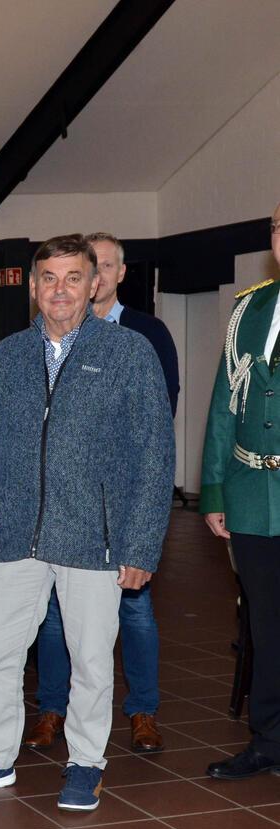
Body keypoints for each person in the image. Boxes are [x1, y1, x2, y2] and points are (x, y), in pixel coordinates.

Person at [0, 234, 174, 811]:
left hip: (97, 538)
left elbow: (155, 455)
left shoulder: (129, 354)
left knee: (91, 659)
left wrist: (141, 545)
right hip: (16, 535)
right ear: (34, 286)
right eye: (48, 278)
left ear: (95, 284)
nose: (59, 289)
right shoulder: (6, 358)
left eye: (72, 278)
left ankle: (85, 763)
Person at [28, 231, 180, 755]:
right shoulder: (41, 341)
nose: (93, 279)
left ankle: (142, 711)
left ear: (108, 276)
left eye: (106, 267)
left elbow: (159, 424)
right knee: (54, 616)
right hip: (65, 515)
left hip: (120, 507)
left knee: (134, 613)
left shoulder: (145, 336)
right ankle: (52, 707)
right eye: (55, 277)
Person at [198, 200, 280, 780]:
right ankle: (269, 741)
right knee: (265, 624)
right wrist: (214, 489)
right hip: (253, 495)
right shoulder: (249, 308)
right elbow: (225, 401)